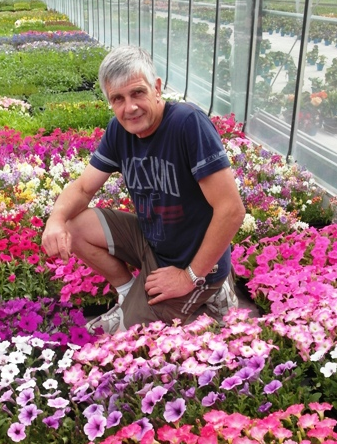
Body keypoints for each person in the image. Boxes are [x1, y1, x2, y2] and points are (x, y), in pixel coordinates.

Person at [41, 45, 246, 334]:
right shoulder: (119, 130)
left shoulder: (187, 124)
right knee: (75, 226)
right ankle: (129, 293)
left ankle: (210, 288)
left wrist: (188, 277)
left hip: (192, 258)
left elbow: (232, 210)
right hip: (155, 244)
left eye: (138, 92)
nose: (130, 108)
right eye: (118, 99)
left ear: (157, 87)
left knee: (127, 337)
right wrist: (55, 220)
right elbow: (84, 188)